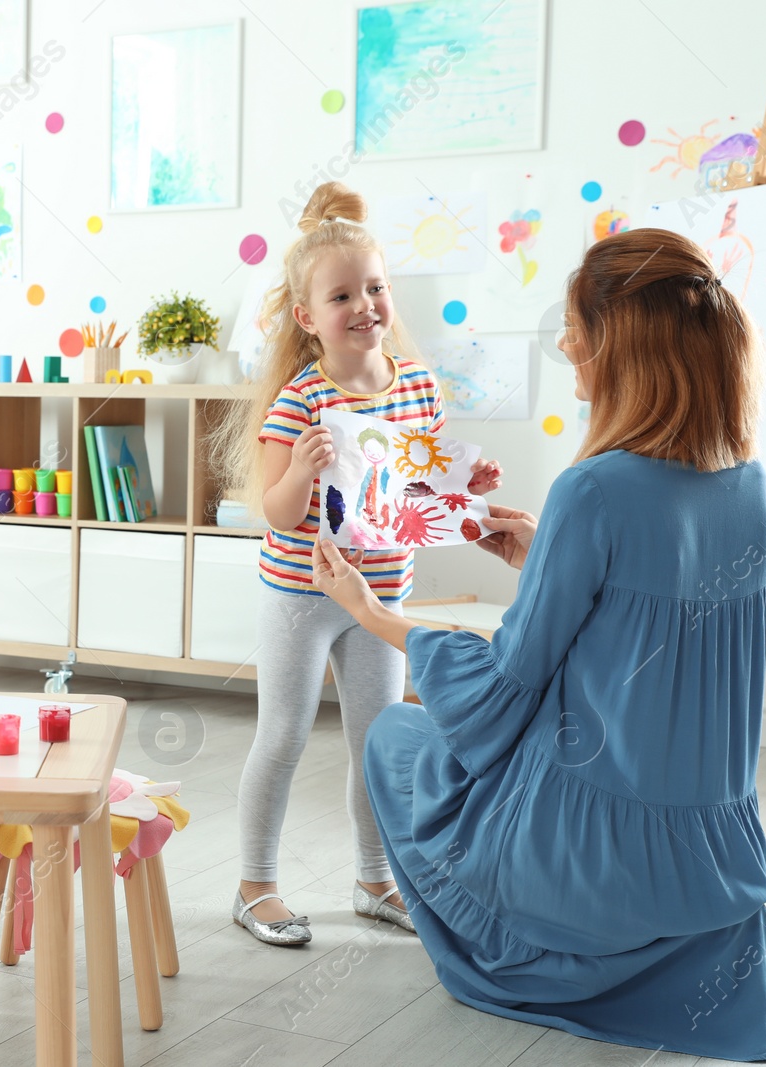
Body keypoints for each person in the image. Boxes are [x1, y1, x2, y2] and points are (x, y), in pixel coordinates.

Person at [311, 228, 766, 1061]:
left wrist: (372, 610)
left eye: (576, 331)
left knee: (396, 737)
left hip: (587, 859)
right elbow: (646, 648)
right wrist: (542, 562)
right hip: (707, 864)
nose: (566, 347)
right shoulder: (750, 489)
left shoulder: (592, 491)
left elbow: (502, 688)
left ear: (620, 349)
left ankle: (523, 956)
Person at [209, 181, 501, 946]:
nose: (366, 305)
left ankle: (376, 879)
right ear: (308, 317)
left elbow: (426, 485)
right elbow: (274, 512)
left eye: (376, 287)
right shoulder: (300, 399)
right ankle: (255, 885)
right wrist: (302, 470)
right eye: (344, 295)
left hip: (381, 592)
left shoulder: (417, 388)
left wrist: (469, 485)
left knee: (379, 738)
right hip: (302, 594)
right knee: (285, 734)